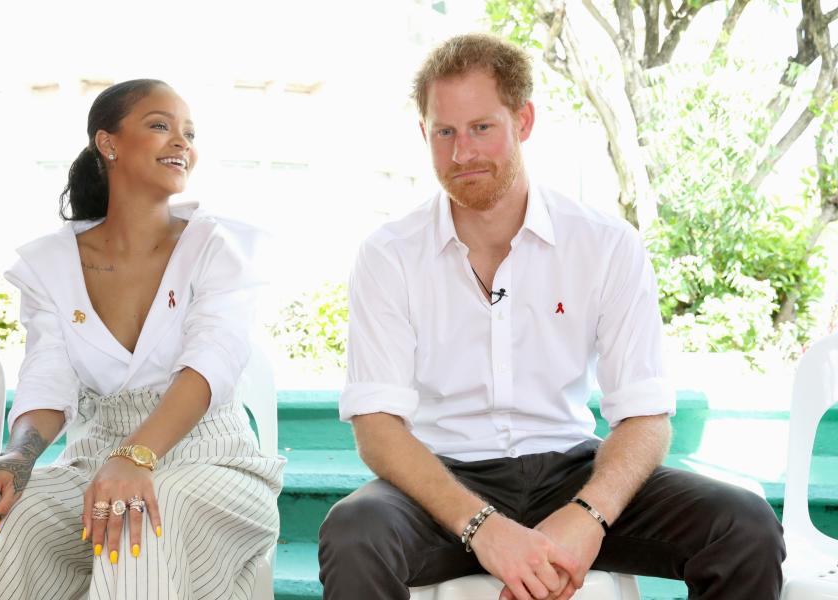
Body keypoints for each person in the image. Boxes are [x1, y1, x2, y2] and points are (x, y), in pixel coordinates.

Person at [318, 33, 785, 600]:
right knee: (353, 532)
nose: (462, 153)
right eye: (445, 132)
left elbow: (645, 415)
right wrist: (483, 528)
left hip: (574, 474)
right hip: (444, 483)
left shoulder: (606, 244)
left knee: (744, 524)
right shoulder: (388, 254)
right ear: (425, 134)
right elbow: (376, 427)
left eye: (482, 127)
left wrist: (589, 515)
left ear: (524, 120)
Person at [0, 79, 284, 600]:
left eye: (189, 132)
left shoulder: (218, 246)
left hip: (212, 460)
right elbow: (47, 379)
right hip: (94, 463)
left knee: (136, 519)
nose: (182, 142)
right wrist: (17, 459)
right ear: (107, 143)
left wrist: (136, 456)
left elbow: (213, 362)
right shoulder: (50, 264)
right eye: (160, 126)